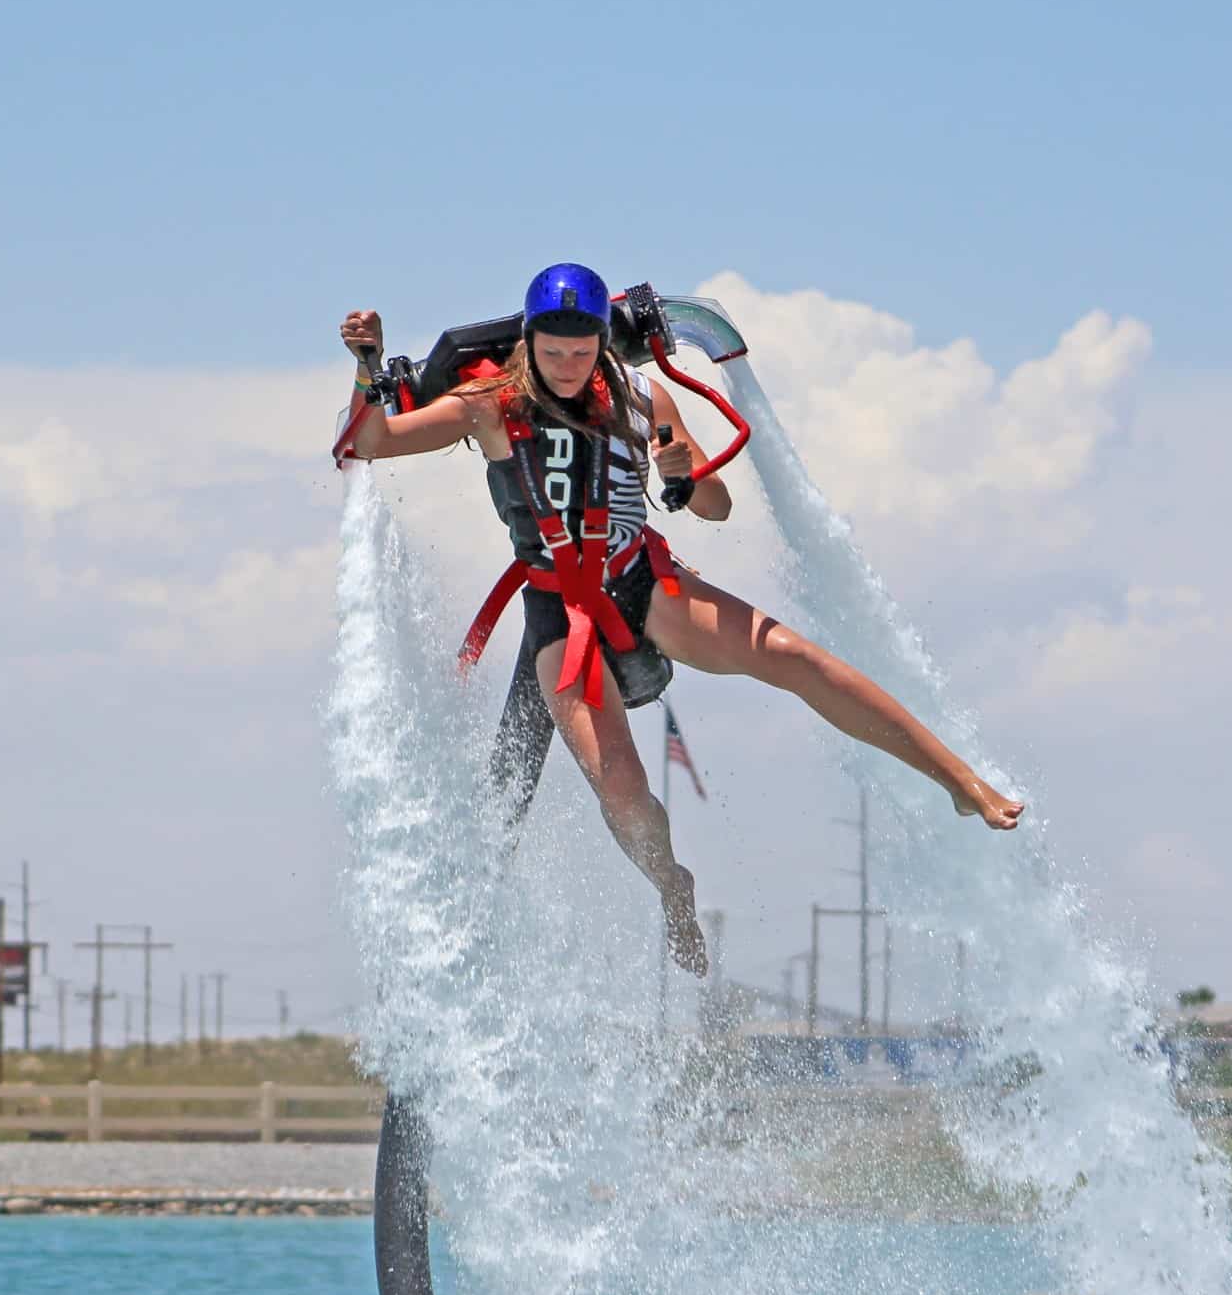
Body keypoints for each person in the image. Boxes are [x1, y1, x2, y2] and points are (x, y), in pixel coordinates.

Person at [337, 263, 1023, 977]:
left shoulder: (640, 398)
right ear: (529, 342)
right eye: (554, 351)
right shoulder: (487, 404)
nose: (569, 366)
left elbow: (716, 505)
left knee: (792, 655)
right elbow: (373, 443)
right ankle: (673, 889)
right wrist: (365, 370)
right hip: (559, 615)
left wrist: (683, 473)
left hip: (643, 579)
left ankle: (957, 780)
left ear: (604, 342)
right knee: (625, 790)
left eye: (583, 351)